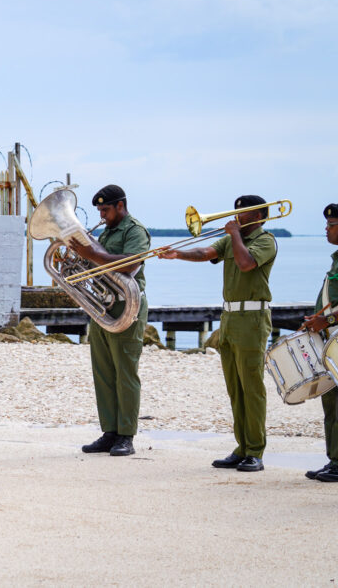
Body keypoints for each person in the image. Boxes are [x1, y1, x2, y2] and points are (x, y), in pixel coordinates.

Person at [159, 195, 277, 472]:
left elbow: (246, 263)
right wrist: (178, 254)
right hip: (230, 317)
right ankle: (242, 447)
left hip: (252, 317)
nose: (237, 216)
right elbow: (206, 253)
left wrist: (235, 234)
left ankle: (256, 451)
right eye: (236, 211)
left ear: (259, 216)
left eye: (244, 212)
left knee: (252, 388)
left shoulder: (265, 240)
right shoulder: (232, 239)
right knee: (235, 388)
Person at [71, 185, 150, 457]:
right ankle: (110, 431)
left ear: (121, 205)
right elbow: (95, 267)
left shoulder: (134, 231)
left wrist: (91, 255)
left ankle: (126, 435)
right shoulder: (104, 233)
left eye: (106, 209)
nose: (102, 215)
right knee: (103, 371)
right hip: (103, 306)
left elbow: (131, 264)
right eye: (99, 210)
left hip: (128, 305)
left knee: (125, 371)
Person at [302, 203, 338, 482]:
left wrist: (327, 320)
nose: (326, 229)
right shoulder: (336, 259)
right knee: (331, 401)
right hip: (331, 342)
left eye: (332, 225)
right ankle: (334, 459)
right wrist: (319, 316)